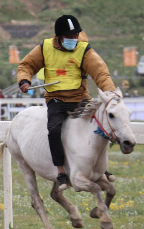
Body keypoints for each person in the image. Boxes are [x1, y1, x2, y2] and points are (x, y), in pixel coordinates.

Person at [17, 15, 116, 191]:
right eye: (69, 37)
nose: (73, 40)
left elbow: (101, 73)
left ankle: (101, 169)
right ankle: (61, 171)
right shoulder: (45, 47)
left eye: (75, 36)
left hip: (81, 99)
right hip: (56, 100)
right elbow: (27, 65)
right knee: (54, 130)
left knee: (101, 126)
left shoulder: (85, 50)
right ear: (59, 37)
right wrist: (24, 80)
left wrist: (110, 93)